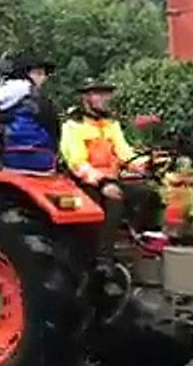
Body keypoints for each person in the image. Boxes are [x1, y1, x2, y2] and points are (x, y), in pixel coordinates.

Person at [59, 80, 164, 249]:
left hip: (112, 180)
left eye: (106, 94)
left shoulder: (110, 125)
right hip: (85, 183)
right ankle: (104, 257)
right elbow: (77, 163)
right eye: (99, 94)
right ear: (87, 98)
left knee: (148, 192)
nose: (105, 98)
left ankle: (145, 238)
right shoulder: (73, 126)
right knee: (114, 200)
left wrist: (147, 164)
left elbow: (124, 153)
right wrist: (103, 183)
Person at [0, 55, 60, 172]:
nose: (43, 78)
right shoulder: (38, 101)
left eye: (44, 74)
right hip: (40, 158)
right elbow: (54, 131)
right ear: (25, 74)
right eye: (38, 73)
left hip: (8, 159)